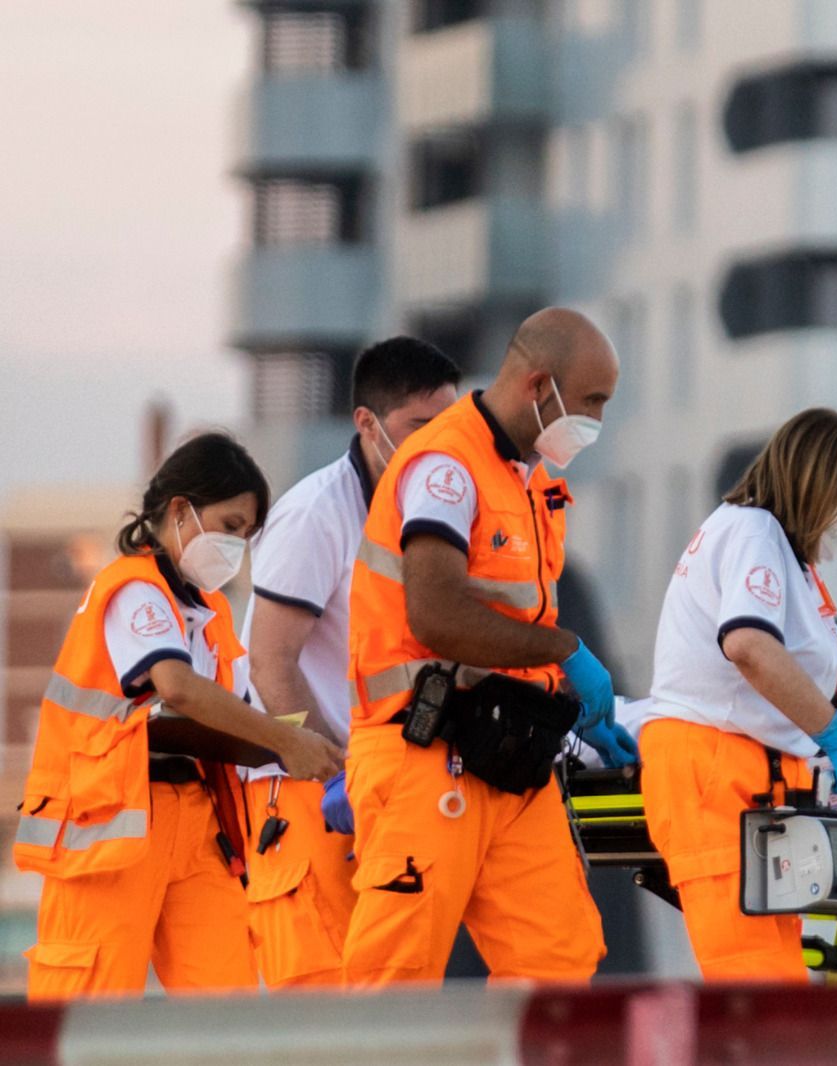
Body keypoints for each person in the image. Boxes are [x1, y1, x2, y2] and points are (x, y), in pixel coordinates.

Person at [342, 307, 633, 986]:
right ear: (539, 387)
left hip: (505, 757)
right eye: (590, 401)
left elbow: (507, 628)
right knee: (394, 980)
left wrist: (568, 703)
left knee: (560, 965)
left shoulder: (530, 483)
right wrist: (568, 651)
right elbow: (436, 612)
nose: (596, 419)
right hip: (425, 753)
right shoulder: (446, 467)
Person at [14, 433, 344, 1000]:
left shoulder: (209, 610)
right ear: (179, 510)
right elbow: (178, 688)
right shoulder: (132, 592)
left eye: (246, 534)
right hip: (110, 820)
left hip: (197, 822)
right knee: (90, 1014)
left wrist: (303, 743)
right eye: (230, 524)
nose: (238, 543)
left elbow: (233, 712)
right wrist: (288, 744)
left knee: (224, 1002)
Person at [636, 407, 837, 982]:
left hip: (744, 779)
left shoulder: (781, 549)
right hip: (711, 772)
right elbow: (749, 644)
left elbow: (819, 634)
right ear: (818, 482)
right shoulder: (753, 532)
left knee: (779, 986)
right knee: (755, 988)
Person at [242, 337, 460, 988]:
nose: (437, 444)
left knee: (383, 999)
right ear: (367, 424)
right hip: (311, 790)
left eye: (448, 427)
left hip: (379, 793)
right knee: (321, 1003)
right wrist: (335, 769)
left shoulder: (425, 512)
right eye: (420, 427)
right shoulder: (318, 514)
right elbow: (269, 663)